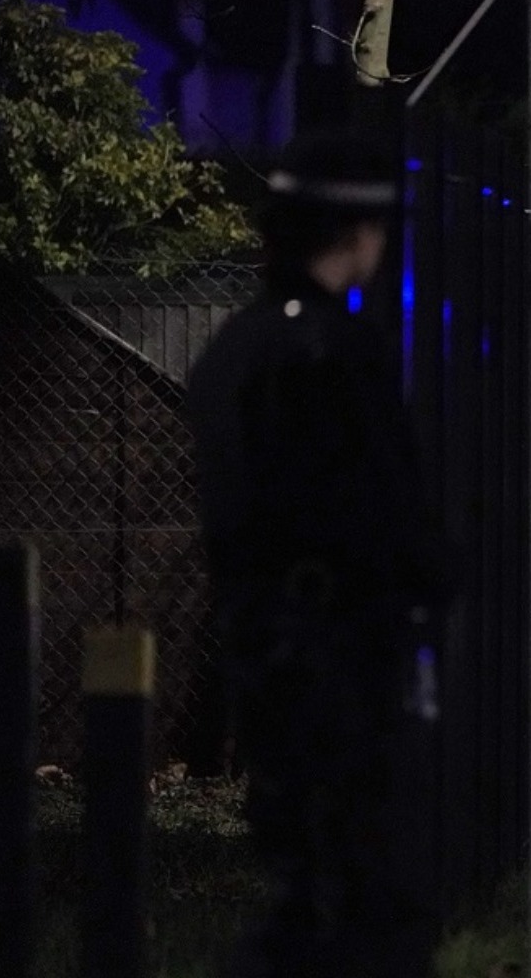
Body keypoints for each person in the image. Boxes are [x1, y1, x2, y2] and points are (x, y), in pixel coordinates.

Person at [186, 129, 441, 978]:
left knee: (304, 876)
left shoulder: (233, 350)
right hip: (346, 651)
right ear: (357, 234)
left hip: (265, 643)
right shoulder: (332, 350)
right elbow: (389, 507)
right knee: (378, 889)